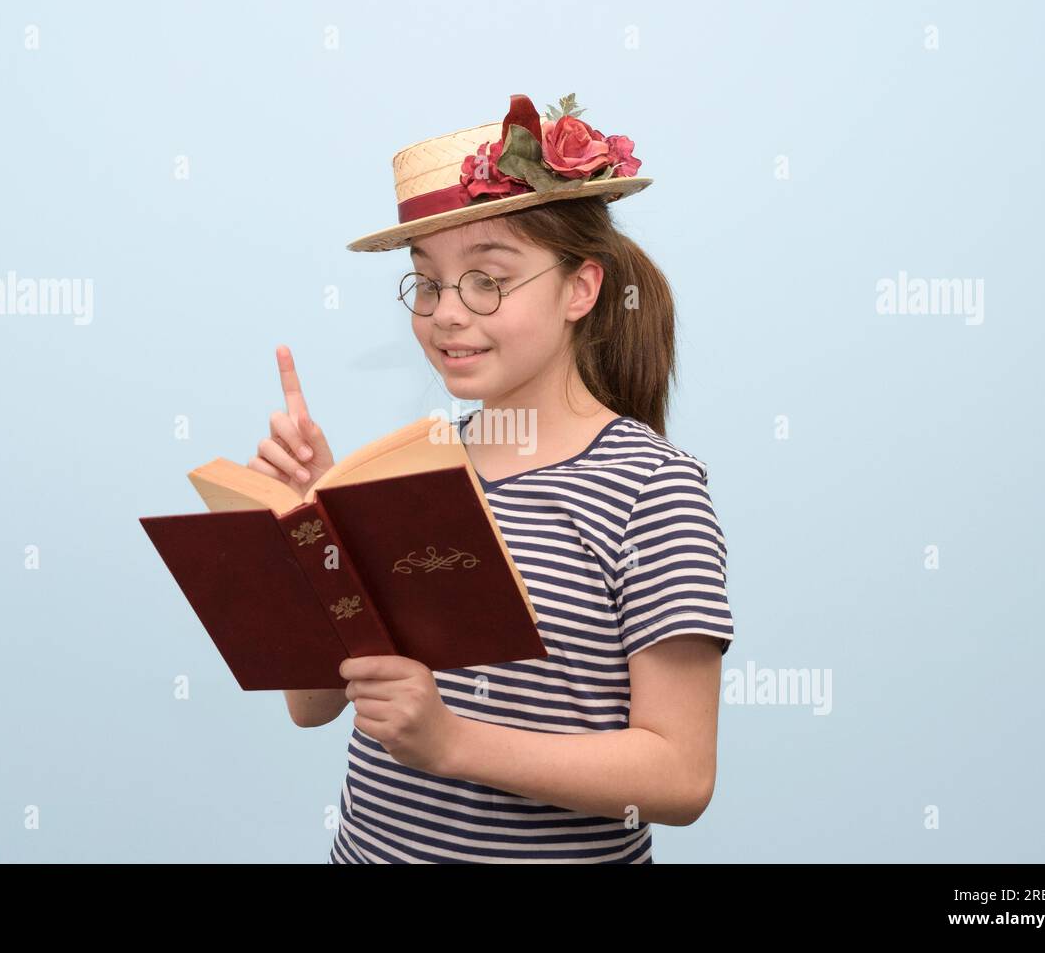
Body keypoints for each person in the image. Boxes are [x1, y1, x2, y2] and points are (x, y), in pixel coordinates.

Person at [250, 93, 735, 863]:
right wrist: (311, 528)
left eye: (488, 280)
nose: (448, 313)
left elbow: (679, 776)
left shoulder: (651, 489)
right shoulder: (404, 471)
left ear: (581, 287)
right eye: (429, 284)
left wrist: (452, 742)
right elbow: (312, 706)